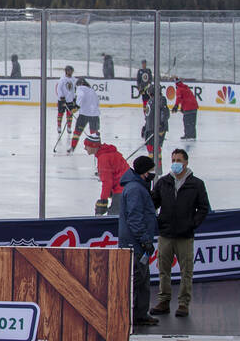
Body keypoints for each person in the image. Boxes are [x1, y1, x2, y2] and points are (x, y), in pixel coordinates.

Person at [150, 149, 211, 318]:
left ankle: (183, 303)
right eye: (173, 159)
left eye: (178, 160)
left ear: (186, 162)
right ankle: (164, 301)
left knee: (186, 271)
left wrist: (192, 224)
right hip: (166, 234)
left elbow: (204, 208)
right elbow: (153, 203)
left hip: (185, 235)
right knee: (163, 269)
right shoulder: (163, 182)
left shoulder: (196, 184)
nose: (175, 162)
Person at [118, 156, 159, 327]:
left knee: (142, 279)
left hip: (138, 243)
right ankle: (132, 315)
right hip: (134, 244)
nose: (152, 174)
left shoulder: (138, 187)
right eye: (150, 171)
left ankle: (140, 313)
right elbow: (135, 218)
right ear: (144, 172)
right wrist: (144, 239)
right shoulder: (135, 189)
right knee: (136, 280)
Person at [83, 132, 129, 216]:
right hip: (127, 188)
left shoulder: (103, 158)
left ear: (93, 146)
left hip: (122, 190)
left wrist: (103, 200)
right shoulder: (109, 153)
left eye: (86, 146)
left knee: (114, 217)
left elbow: (107, 182)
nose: (85, 148)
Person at [67, 78, 100, 153]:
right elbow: (97, 102)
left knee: (77, 133)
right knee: (94, 133)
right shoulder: (92, 90)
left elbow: (81, 96)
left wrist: (77, 107)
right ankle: (97, 148)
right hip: (95, 114)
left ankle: (72, 147)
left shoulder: (80, 88)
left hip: (84, 115)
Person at [141, 87, 170, 155]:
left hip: (156, 128)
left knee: (155, 149)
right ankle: (152, 163)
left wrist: (161, 125)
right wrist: (145, 128)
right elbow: (148, 116)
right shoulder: (150, 100)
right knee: (150, 148)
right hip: (150, 128)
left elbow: (165, 113)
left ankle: (156, 164)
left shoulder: (160, 99)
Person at [55, 65, 77, 136]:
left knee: (70, 114)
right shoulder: (62, 79)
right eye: (69, 71)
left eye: (71, 71)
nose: (70, 72)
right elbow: (59, 88)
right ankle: (59, 126)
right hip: (62, 100)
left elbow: (74, 89)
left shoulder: (74, 79)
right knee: (60, 113)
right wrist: (61, 97)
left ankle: (69, 127)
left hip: (70, 100)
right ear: (66, 71)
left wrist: (74, 97)